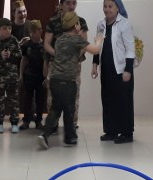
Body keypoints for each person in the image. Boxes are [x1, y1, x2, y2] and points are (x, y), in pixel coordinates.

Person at [37, 12, 103, 150]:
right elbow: (95, 50)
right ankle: (70, 137)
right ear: (75, 25)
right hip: (68, 82)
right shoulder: (77, 39)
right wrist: (99, 40)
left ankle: (45, 134)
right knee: (69, 109)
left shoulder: (60, 39)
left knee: (55, 109)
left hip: (55, 80)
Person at [93, 0, 135, 144]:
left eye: (110, 6)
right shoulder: (101, 24)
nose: (107, 9)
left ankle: (126, 133)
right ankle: (111, 131)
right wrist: (95, 64)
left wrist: (128, 70)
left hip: (121, 70)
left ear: (118, 8)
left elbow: (130, 49)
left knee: (123, 101)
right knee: (107, 100)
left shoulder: (125, 24)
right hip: (106, 69)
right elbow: (97, 45)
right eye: (105, 6)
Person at [44, 0, 88, 130]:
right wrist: (59, 55)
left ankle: (71, 125)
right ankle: (52, 124)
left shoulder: (81, 21)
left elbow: (84, 44)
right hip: (56, 64)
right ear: (61, 5)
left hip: (73, 65)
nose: (71, 6)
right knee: (53, 96)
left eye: (74, 3)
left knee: (73, 95)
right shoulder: (53, 21)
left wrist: (72, 57)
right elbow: (46, 44)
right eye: (68, 3)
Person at [0, 18, 22, 134]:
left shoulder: (14, 40)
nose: (8, 30)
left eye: (9, 28)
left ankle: (14, 123)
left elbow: (19, 54)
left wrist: (11, 54)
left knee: (14, 100)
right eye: (4, 28)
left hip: (12, 76)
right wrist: (0, 55)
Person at [19, 20, 46, 131]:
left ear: (40, 31)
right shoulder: (26, 45)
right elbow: (24, 60)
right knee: (27, 99)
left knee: (40, 99)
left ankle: (38, 121)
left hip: (41, 76)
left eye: (35, 31)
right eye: (31, 32)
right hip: (29, 75)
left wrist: (47, 77)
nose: (33, 34)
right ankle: (26, 121)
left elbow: (47, 62)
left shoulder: (45, 45)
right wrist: (21, 75)